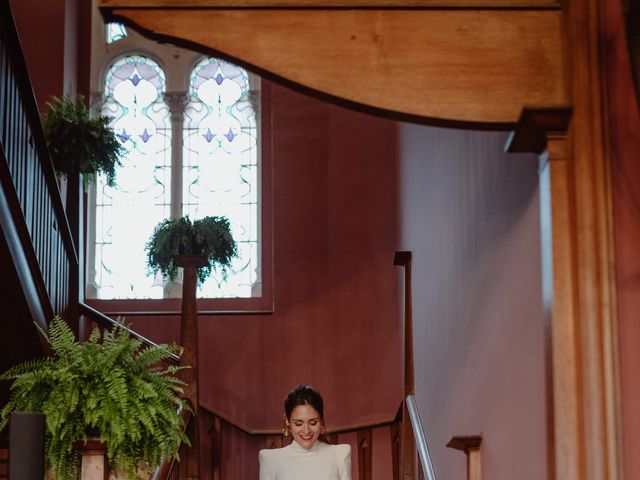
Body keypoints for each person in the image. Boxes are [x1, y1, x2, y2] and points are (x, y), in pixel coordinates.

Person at [259, 385, 352, 480]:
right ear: (287, 421)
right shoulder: (270, 460)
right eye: (298, 424)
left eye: (313, 423)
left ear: (321, 420)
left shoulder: (340, 454)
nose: (306, 431)